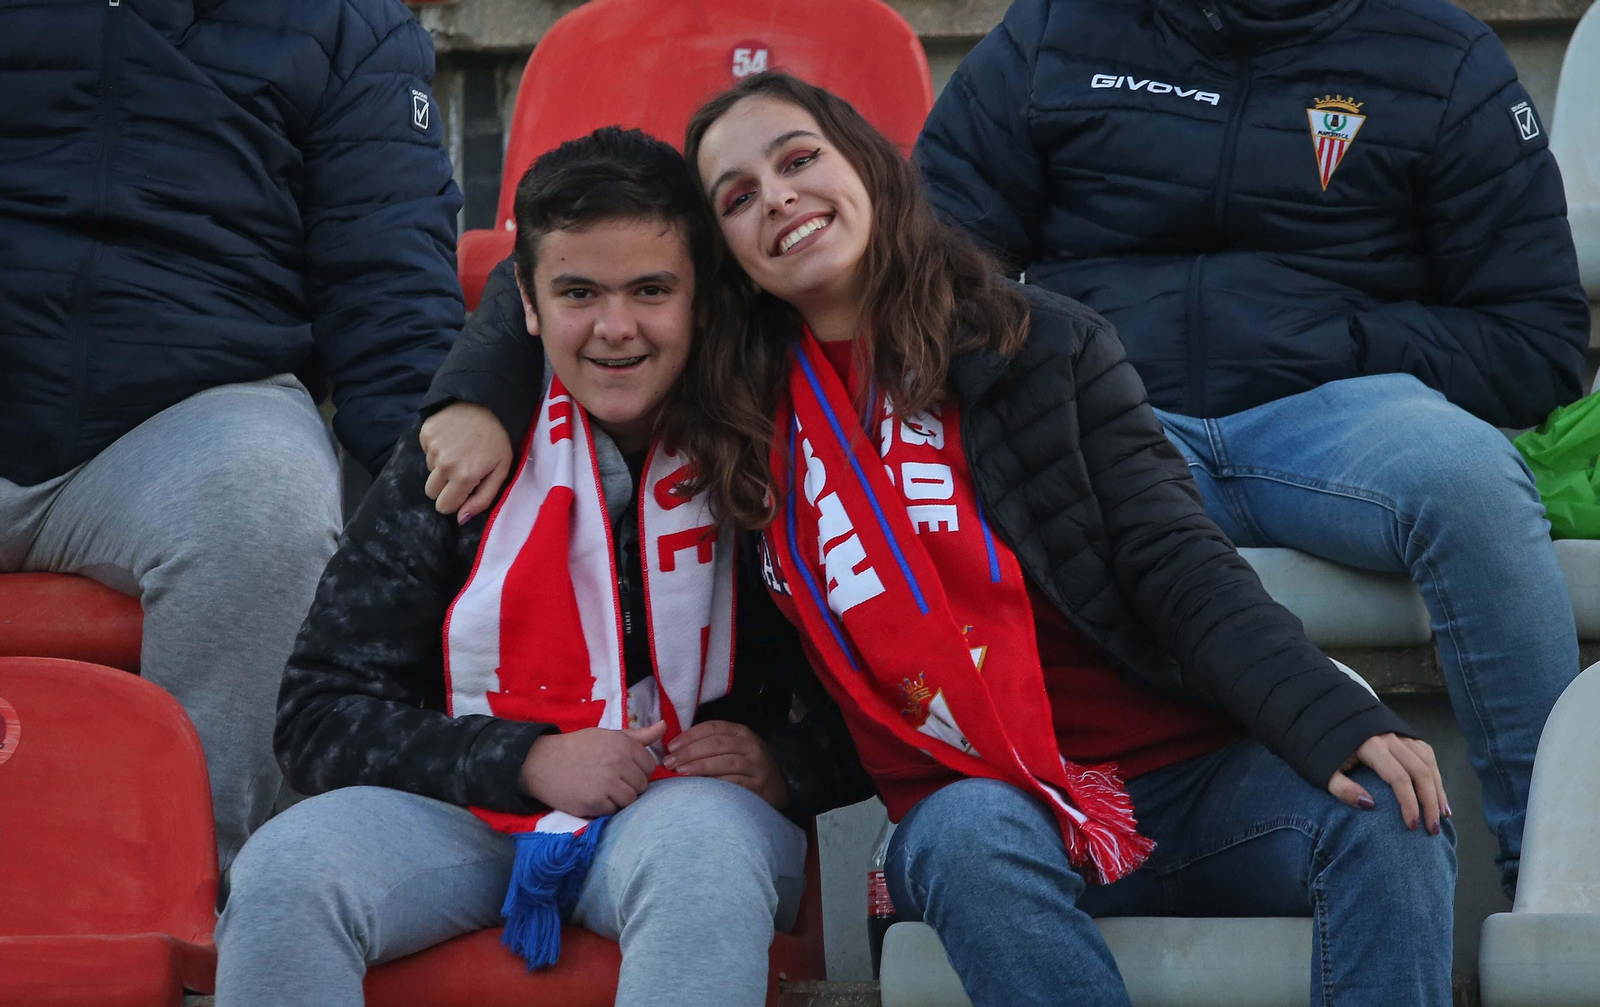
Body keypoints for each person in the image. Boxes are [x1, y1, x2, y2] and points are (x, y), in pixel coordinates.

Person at [418, 74, 1458, 1006]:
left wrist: (1328, 713)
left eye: (796, 160)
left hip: (1186, 781)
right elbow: (574, 291)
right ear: (722, 253)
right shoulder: (730, 401)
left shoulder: (1036, 340)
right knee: (970, 830)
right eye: (736, 198)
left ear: (865, 164)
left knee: (1391, 810)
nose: (776, 197)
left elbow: (1174, 556)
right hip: (977, 822)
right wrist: (476, 396)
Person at [913, 0, 1593, 896]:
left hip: (1342, 412)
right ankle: (1039, 853)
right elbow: (928, 269)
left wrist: (1332, 339)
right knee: (993, 490)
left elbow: (1536, 339)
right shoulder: (1057, 31)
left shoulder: (1441, 52)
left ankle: (1559, 880)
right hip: (1110, 407)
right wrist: (1057, 354)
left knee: (1472, 483)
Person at [214, 127, 871, 1007]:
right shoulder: (456, 453)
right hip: (464, 811)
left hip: (683, 808)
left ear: (704, 299)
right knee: (287, 868)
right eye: (578, 292)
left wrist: (789, 762)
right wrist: (525, 758)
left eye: (651, 291)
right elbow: (316, 717)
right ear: (525, 302)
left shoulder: (774, 451)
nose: (614, 327)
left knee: (703, 860)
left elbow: (888, 687)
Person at [0, 0, 463, 870]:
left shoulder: (343, 26)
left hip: (180, 419)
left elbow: (389, 288)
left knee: (264, 501)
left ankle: (191, 896)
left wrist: (450, 503)